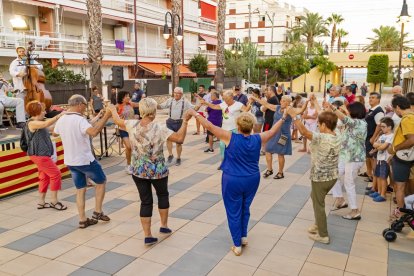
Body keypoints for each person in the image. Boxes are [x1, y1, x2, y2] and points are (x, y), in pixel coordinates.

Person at [188, 109, 290, 255]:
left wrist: (195, 114)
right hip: (252, 179)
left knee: (233, 211)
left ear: (238, 125)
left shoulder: (230, 137)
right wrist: (284, 117)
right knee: (245, 207)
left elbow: (209, 126)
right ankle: (243, 236)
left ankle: (237, 245)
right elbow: (273, 131)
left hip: (233, 179)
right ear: (252, 125)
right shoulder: (258, 138)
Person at [108, 98, 192, 245]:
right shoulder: (159, 128)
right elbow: (179, 139)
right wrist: (185, 120)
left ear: (141, 110)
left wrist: (112, 109)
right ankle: (164, 226)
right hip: (158, 170)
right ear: (154, 111)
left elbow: (116, 120)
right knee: (162, 195)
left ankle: (147, 235)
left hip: (139, 170)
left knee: (145, 201)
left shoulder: (131, 124)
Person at [287, 98, 341, 244]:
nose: (317, 126)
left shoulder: (321, 138)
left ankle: (323, 234)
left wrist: (294, 115)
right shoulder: (338, 135)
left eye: (319, 124)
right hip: (332, 176)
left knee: (319, 205)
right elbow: (325, 117)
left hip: (320, 177)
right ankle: (318, 224)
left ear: (324, 125)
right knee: (315, 197)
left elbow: (304, 131)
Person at [54, 95, 112, 229]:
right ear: (80, 104)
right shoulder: (79, 119)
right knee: (101, 182)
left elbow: (55, 133)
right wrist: (106, 117)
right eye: (85, 105)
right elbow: (93, 132)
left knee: (80, 189)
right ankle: (97, 211)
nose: (86, 108)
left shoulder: (63, 119)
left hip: (70, 160)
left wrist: (97, 118)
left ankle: (82, 220)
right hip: (85, 160)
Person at [328, 102, 367, 220]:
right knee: (333, 175)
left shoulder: (360, 123)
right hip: (345, 157)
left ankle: (355, 210)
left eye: (350, 110)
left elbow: (345, 119)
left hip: (354, 158)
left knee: (349, 183)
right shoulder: (354, 122)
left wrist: (333, 108)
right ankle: (340, 199)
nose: (347, 112)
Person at [26, 101, 66, 210]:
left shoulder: (39, 122)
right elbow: (45, 124)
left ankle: (41, 202)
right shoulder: (31, 123)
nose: (44, 112)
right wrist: (59, 115)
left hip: (41, 155)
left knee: (44, 177)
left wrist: (63, 121)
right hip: (39, 155)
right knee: (56, 174)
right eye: (43, 110)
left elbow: (51, 128)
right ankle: (54, 201)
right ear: (37, 111)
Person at [252, 95, 297, 179]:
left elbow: (301, 110)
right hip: (273, 133)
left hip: (283, 135)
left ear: (288, 102)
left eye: (284, 101)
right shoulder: (277, 107)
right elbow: (266, 104)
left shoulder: (290, 110)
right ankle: (269, 170)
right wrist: (255, 98)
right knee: (267, 149)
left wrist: (308, 102)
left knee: (280, 154)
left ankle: (280, 173)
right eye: (281, 100)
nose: (281, 102)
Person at [201, 90, 251, 162]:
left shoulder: (238, 104)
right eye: (224, 98)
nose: (225, 100)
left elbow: (246, 110)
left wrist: (250, 104)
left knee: (233, 147)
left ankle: (234, 161)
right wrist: (206, 103)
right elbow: (215, 107)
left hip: (234, 129)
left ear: (231, 97)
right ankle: (224, 162)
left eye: (226, 99)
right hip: (224, 129)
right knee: (222, 145)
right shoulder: (224, 104)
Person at [388, 96, 414, 218]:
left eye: (394, 109)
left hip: (403, 158)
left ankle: (401, 214)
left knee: (399, 186)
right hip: (406, 157)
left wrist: (395, 148)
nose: (395, 112)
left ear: (398, 107)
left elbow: (411, 139)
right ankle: (406, 211)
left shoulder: (407, 119)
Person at [158, 87, 193, 166]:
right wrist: (152, 104)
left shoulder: (185, 101)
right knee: (168, 139)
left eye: (178, 93)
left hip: (179, 122)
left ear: (181, 94)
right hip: (170, 121)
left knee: (178, 142)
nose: (176, 94)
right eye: (175, 92)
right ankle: (170, 155)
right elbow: (160, 106)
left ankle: (178, 158)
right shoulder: (170, 100)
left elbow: (194, 108)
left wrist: (200, 104)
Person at [367, 117, 394, 202]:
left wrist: (378, 145)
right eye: (381, 126)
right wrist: (378, 145)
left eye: (383, 126)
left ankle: (383, 195)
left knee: (383, 178)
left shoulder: (391, 136)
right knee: (378, 176)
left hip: (385, 160)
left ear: (389, 127)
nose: (381, 128)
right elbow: (374, 143)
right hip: (379, 158)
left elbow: (382, 147)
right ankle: (378, 192)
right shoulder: (382, 135)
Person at [364, 92, 384, 183]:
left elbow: (379, 126)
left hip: (371, 138)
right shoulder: (371, 110)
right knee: (368, 157)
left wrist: (373, 138)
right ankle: (370, 176)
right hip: (367, 137)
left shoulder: (378, 111)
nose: (370, 99)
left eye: (373, 97)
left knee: (372, 159)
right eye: (370, 97)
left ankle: (375, 182)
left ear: (378, 100)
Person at [116, 91, 135, 174]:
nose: (128, 97)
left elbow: (140, 105)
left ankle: (133, 164)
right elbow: (112, 115)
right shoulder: (118, 106)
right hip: (123, 129)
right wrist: (118, 118)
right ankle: (128, 165)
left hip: (132, 128)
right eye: (126, 96)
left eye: (128, 96)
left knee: (134, 148)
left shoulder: (130, 104)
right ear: (122, 98)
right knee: (129, 147)